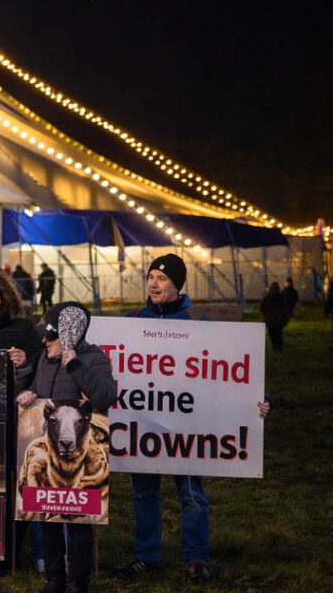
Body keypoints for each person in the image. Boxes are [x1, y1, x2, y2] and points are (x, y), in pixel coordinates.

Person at [116, 253, 270, 584]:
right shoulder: (131, 321)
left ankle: (197, 559)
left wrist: (259, 400)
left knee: (190, 494)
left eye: (162, 278)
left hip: (187, 431)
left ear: (177, 286)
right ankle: (147, 555)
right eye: (150, 277)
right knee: (143, 493)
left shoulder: (198, 329)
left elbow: (230, 373)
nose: (153, 283)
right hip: (140, 425)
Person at [16, 302, 116, 593]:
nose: (44, 340)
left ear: (69, 335)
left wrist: (74, 365)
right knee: (47, 517)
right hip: (49, 455)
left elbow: (105, 397)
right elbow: (35, 391)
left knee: (79, 521)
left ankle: (78, 581)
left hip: (81, 458)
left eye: (51, 335)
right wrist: (27, 392)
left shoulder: (94, 358)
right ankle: (55, 578)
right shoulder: (45, 360)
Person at [261, 282, 287, 352]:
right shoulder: (281, 297)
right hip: (278, 319)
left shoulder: (267, 297)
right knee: (278, 334)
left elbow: (262, 308)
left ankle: (275, 347)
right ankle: (278, 347)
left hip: (270, 319)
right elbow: (285, 308)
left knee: (272, 334)